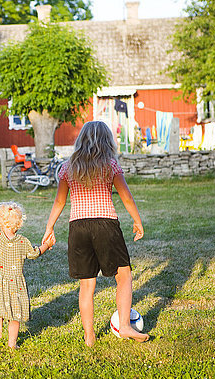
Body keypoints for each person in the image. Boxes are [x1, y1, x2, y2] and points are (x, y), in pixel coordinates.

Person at [42, 121, 149, 346]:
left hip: (78, 227)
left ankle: (89, 336)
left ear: (81, 139)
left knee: (87, 285)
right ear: (106, 140)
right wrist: (137, 221)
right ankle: (126, 327)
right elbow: (126, 196)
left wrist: (49, 227)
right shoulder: (110, 165)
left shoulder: (67, 167)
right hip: (105, 225)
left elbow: (60, 200)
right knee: (124, 276)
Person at [0, 202, 54, 349]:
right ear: (19, 223)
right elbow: (35, 253)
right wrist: (47, 245)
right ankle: (12, 344)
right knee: (15, 315)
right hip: (14, 284)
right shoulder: (22, 242)